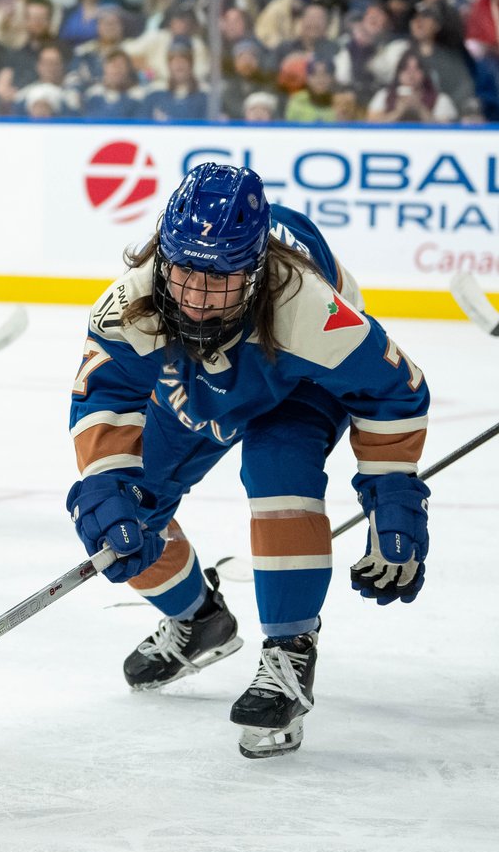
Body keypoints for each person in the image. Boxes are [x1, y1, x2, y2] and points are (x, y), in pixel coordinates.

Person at [66, 163, 430, 759]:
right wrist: (106, 481)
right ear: (164, 254)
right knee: (125, 513)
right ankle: (199, 618)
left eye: (221, 281)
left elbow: (394, 389)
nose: (199, 300)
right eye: (184, 274)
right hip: (193, 377)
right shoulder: (133, 300)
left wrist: (392, 493)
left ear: (256, 273)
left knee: (277, 471)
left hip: (300, 380)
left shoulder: (307, 310)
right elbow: (106, 394)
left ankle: (289, 650)